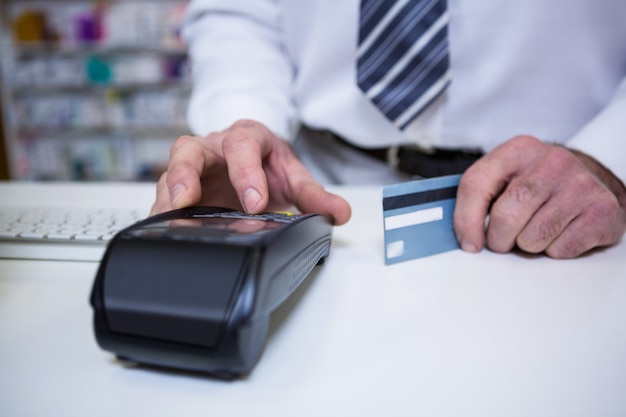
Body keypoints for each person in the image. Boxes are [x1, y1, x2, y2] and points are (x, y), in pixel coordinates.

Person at [151, 0, 626, 259]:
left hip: (561, 201)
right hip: (313, 194)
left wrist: (608, 155)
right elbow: (240, 13)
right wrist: (243, 121)